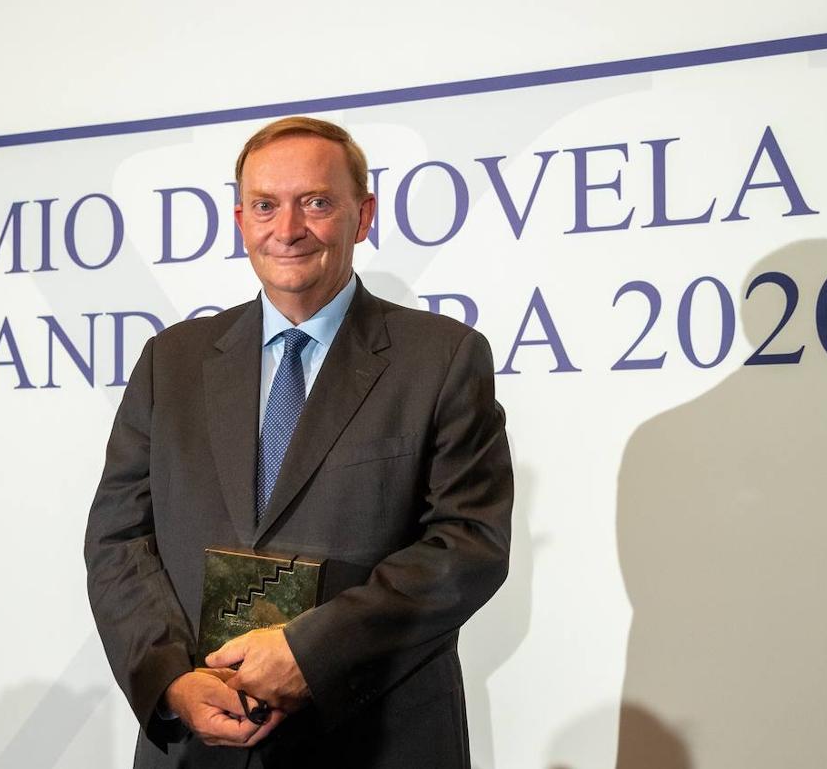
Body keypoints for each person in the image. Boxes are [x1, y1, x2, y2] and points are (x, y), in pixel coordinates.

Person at [85, 116, 513, 769]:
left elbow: (468, 544)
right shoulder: (170, 363)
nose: (287, 229)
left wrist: (312, 655)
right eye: (265, 206)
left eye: (315, 202)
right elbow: (119, 540)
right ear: (240, 220)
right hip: (200, 745)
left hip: (375, 741)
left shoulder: (442, 358)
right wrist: (169, 681)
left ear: (362, 216)